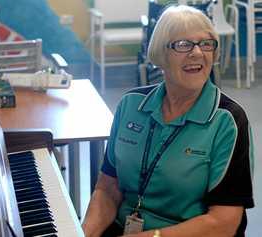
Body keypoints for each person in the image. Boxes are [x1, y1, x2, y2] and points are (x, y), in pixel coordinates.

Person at [82, 5, 254, 237]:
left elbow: (223, 223)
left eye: (206, 44)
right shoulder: (131, 105)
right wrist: (83, 233)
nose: (197, 53)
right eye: (183, 44)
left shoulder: (228, 120)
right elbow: (108, 188)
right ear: (160, 55)